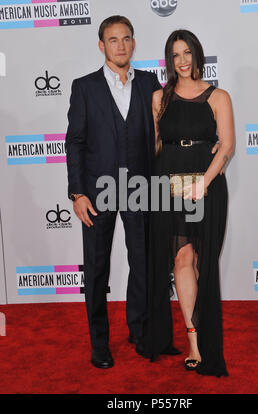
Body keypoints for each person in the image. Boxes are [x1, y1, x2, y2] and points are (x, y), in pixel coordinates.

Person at [65, 15, 162, 369]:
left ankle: (139, 330)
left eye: (126, 39)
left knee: (143, 264)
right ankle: (100, 344)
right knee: (96, 270)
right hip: (96, 192)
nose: (120, 45)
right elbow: (74, 142)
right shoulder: (85, 87)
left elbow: (160, 134)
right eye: (113, 39)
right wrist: (78, 194)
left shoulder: (150, 83)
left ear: (133, 43)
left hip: (140, 189)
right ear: (101, 45)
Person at [141, 29, 234, 377]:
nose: (181, 61)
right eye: (175, 55)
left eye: (187, 53)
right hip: (169, 184)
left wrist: (203, 183)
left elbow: (226, 146)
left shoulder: (218, 96)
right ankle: (194, 342)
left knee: (202, 262)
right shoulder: (158, 99)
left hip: (207, 185)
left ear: (197, 55)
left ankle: (206, 332)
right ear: (169, 60)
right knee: (181, 256)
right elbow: (153, 147)